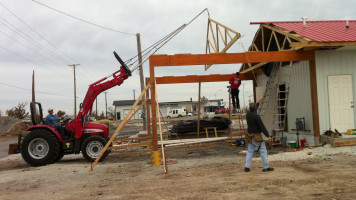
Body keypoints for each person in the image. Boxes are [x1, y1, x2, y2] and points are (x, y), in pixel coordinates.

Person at [244, 102, 274, 172]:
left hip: (249, 136)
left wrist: (259, 102)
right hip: (256, 137)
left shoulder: (247, 115)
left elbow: (253, 107)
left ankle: (247, 167)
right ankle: (265, 167)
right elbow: (262, 127)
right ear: (256, 108)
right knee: (263, 151)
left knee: (250, 152)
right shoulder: (256, 116)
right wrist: (268, 135)